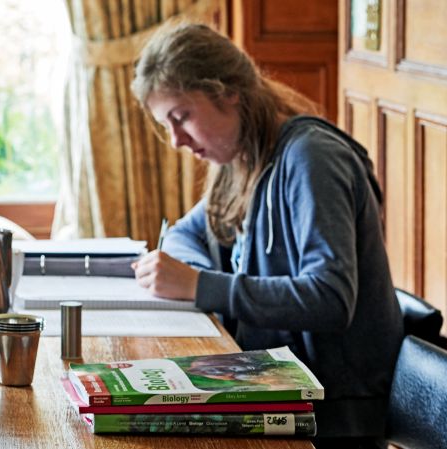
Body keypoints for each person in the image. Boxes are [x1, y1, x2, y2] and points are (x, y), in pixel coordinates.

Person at [129, 22, 402, 449]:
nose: (177, 140)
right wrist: (192, 275)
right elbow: (187, 232)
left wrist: (200, 285)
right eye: (167, 125)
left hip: (334, 412)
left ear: (228, 92)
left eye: (182, 117)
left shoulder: (313, 159)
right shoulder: (242, 157)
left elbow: (330, 299)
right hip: (278, 385)